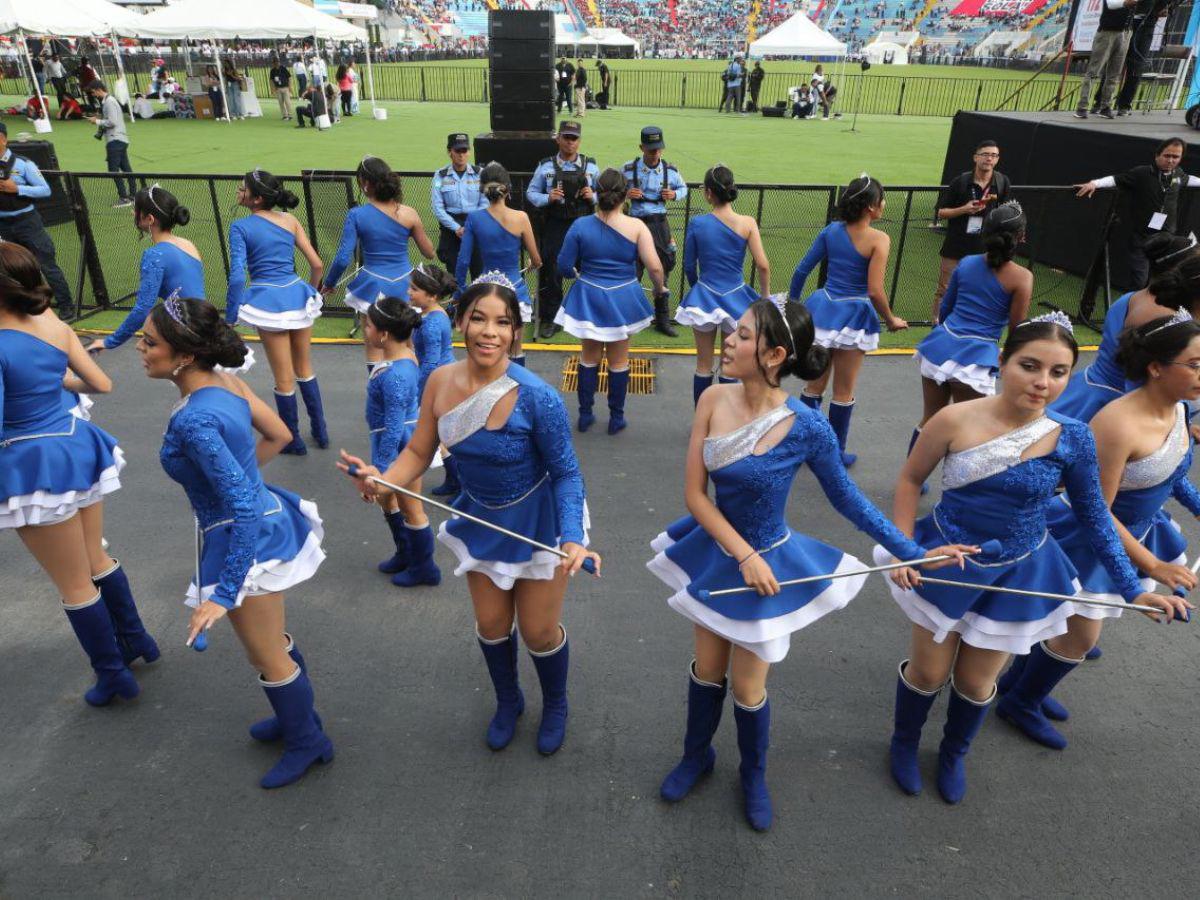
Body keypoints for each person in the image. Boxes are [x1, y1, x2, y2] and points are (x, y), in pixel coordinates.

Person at [648, 298, 971, 831]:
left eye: (744, 335)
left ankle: (753, 773)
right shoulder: (710, 399)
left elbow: (848, 500)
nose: (729, 339)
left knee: (749, 686)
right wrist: (742, 553)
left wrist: (913, 551)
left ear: (775, 354)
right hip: (720, 553)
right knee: (707, 668)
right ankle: (696, 755)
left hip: (771, 566)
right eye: (734, 331)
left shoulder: (807, 427)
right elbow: (695, 496)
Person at [878, 313, 1182, 804]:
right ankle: (905, 741)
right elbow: (911, 480)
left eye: (1059, 372)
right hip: (946, 562)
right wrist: (906, 550)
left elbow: (1095, 517)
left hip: (1024, 570)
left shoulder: (1074, 437)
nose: (1043, 383)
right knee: (929, 673)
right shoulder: (954, 418)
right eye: (1030, 365)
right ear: (1002, 361)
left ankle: (954, 752)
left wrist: (1136, 585)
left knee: (977, 682)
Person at [339, 278, 601, 757]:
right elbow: (419, 450)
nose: (489, 332)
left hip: (541, 522)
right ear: (459, 320)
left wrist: (571, 536)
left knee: (539, 631)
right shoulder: (438, 381)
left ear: (516, 333)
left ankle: (556, 702)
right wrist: (383, 482)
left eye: (503, 323)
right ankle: (508, 701)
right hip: (482, 519)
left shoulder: (537, 396)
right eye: (478, 318)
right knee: (491, 624)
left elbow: (566, 473)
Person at [139, 298, 332, 789]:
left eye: (150, 342)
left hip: (246, 536)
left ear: (183, 355)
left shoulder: (194, 421)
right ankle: (298, 719)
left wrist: (222, 595)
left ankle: (308, 739)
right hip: (258, 520)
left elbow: (242, 506)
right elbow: (279, 433)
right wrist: (238, 481)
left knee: (264, 653)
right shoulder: (228, 382)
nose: (141, 349)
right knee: (270, 645)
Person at [1001, 313, 1200, 748]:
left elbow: (1170, 471)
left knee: (1067, 625)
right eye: (1195, 364)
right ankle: (1021, 702)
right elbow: (1097, 511)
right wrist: (1152, 565)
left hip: (1139, 531)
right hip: (1090, 537)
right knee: (1080, 635)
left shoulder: (1179, 408)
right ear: (1156, 367)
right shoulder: (1116, 424)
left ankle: (1019, 686)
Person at [1, 242, 155, 706]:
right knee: (95, 558)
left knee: (73, 582)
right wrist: (53, 382)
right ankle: (137, 641)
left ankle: (113, 676)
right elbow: (100, 383)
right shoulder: (53, 324)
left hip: (33, 465)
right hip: (77, 446)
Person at [789, 175, 908, 467]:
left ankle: (805, 447)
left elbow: (801, 271)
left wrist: (793, 307)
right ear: (870, 207)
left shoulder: (831, 231)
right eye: (881, 199)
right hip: (855, 316)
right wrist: (891, 319)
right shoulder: (879, 239)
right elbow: (874, 290)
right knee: (844, 391)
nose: (884, 205)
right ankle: (835, 453)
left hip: (823, 309)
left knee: (814, 387)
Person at [555, 168, 668, 435]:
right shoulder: (636, 226)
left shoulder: (580, 226)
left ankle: (585, 415)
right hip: (623, 297)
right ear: (625, 194)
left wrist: (578, 276)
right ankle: (616, 418)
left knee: (588, 358)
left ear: (596, 191)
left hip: (589, 296)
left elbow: (563, 265)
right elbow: (654, 267)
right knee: (619, 361)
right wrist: (659, 288)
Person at [912, 202, 1032, 446]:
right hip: (976, 359)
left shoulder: (966, 262)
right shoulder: (1022, 277)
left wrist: (948, 338)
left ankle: (912, 480)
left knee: (930, 420)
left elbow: (945, 308)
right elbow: (1016, 330)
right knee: (970, 430)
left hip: (939, 346)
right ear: (1021, 237)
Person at [227, 169, 326, 455]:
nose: (238, 191)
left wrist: (230, 317)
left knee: (283, 379)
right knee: (305, 369)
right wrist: (312, 292)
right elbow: (317, 264)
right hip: (298, 295)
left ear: (257, 199)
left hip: (267, 303)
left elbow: (236, 278)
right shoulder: (290, 220)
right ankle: (321, 432)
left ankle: (293, 441)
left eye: (242, 188)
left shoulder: (240, 227)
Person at [1052, 232, 1200, 422]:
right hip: (1107, 406)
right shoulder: (1164, 315)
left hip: (1087, 392)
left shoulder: (1135, 297)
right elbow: (1140, 383)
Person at [323, 157, 434, 367]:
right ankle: (410, 395)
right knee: (407, 345)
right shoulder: (409, 213)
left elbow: (342, 258)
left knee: (374, 347)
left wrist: (329, 283)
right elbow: (429, 253)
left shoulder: (357, 214)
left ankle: (379, 394)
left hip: (372, 286)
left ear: (365, 184)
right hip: (405, 285)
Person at [361, 298, 441, 588]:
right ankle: (405, 552)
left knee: (411, 507)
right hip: (389, 439)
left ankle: (425, 567)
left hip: (400, 446)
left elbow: (394, 427)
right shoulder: (402, 357)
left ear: (383, 334)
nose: (364, 329)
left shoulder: (395, 374)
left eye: (368, 325)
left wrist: (380, 470)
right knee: (389, 501)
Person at [675, 165, 770, 404]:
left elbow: (688, 265)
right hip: (736, 297)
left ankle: (702, 422)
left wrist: (698, 287)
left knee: (703, 365)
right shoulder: (747, 223)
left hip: (705, 296)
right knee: (730, 365)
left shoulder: (698, 223)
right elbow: (763, 265)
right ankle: (725, 423)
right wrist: (766, 297)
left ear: (708, 193)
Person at [87, 186, 204, 354]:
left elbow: (142, 309)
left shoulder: (154, 255)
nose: (133, 214)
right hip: (205, 324)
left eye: (136, 211)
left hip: (187, 335)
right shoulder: (187, 243)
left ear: (150, 219)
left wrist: (109, 341)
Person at [1075, 138, 1200, 289]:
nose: (1171, 160)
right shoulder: (1141, 173)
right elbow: (1116, 179)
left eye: (1176, 157)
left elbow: (1190, 180)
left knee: (1164, 280)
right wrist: (1094, 183)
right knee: (1140, 281)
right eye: (1167, 156)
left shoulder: (1178, 174)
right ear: (1157, 155)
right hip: (1143, 237)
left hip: (1167, 238)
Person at [455, 162, 541, 362]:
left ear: (483, 189)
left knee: (487, 349)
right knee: (515, 349)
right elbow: (537, 260)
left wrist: (460, 289)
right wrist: (532, 262)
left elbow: (463, 260)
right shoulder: (521, 217)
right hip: (515, 291)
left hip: (485, 291)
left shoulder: (474, 219)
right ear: (507, 189)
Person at [527, 122, 600, 340]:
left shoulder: (591, 166)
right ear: (558, 139)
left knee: (589, 269)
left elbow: (604, 194)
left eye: (574, 138)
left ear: (579, 140)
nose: (570, 142)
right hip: (556, 225)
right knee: (552, 271)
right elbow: (531, 192)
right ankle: (551, 318)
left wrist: (592, 196)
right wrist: (547, 198)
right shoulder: (545, 166)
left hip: (584, 224)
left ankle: (588, 316)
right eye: (566, 137)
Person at [0, 122, 74, 317]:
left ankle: (66, 305)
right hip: (4, 225)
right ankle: (24, 305)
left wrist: (17, 189)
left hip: (27, 222)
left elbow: (45, 189)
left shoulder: (23, 164)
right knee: (12, 267)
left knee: (46, 264)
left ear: (4, 139)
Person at [932, 141, 1011, 320]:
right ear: (975, 157)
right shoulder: (960, 182)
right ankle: (938, 326)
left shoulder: (1001, 182)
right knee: (945, 289)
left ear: (997, 160)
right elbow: (940, 212)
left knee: (979, 290)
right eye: (985, 154)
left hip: (985, 249)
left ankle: (967, 324)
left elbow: (1006, 209)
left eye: (994, 155)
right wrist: (964, 209)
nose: (989, 158)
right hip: (956, 246)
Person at [622, 126, 688, 337]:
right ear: (641, 147)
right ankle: (629, 318)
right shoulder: (628, 169)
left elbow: (684, 189)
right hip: (635, 222)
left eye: (658, 149)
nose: (655, 154)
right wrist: (626, 193)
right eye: (651, 150)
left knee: (663, 270)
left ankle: (662, 319)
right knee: (632, 271)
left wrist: (674, 195)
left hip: (659, 224)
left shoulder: (671, 171)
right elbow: (611, 189)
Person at [431, 133, 487, 279]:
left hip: (475, 226)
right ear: (450, 152)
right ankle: (455, 302)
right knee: (454, 276)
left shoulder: (480, 174)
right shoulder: (440, 176)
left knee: (479, 273)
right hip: (451, 228)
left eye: (465, 150)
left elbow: (485, 202)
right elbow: (438, 207)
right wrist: (456, 228)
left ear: (469, 152)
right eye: (458, 151)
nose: (461, 155)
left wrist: (470, 225)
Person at [1075, 0, 1138, 120]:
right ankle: (1082, 107)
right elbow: (1111, 4)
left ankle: (1105, 107)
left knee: (1114, 74)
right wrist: (1127, 3)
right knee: (1094, 71)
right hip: (1107, 32)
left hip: (1125, 33)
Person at [1115, 0, 1171, 115]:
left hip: (1147, 26)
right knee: (1115, 64)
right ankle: (1101, 102)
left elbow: (1164, 9)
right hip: (1126, 23)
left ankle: (1124, 105)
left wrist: (1164, 9)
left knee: (1137, 67)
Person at [85, 81, 135, 208]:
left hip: (115, 140)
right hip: (120, 138)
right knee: (126, 169)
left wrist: (97, 121)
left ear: (98, 89)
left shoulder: (109, 102)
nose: (94, 95)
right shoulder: (109, 101)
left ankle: (124, 198)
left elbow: (112, 122)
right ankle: (133, 195)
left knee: (113, 170)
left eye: (93, 92)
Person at [269, 56, 292, 121]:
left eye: (277, 62)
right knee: (280, 102)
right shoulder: (272, 71)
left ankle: (289, 114)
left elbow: (289, 77)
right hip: (278, 88)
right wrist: (272, 89)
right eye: (275, 62)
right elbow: (271, 80)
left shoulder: (283, 68)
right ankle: (284, 115)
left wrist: (290, 87)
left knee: (287, 102)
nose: (276, 63)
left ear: (278, 62)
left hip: (285, 87)